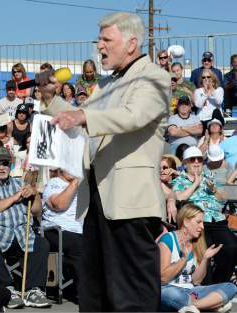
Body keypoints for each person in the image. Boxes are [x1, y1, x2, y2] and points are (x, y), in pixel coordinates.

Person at [47, 12, 170, 311]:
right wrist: (51, 98)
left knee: (132, 295)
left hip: (130, 202)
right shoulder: (105, 84)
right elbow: (77, 122)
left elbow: (133, 116)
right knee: (94, 292)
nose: (99, 46)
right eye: (99, 39)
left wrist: (83, 115)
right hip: (97, 199)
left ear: (131, 43)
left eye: (106, 39)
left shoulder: (155, 76)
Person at [0, 147, 51, 309]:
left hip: (21, 233)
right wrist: (15, 197)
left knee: (41, 244)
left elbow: (36, 211)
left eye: (5, 163)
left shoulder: (20, 183)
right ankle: (7, 289)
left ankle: (32, 290)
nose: (1, 167)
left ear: (10, 166)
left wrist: (33, 195)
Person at [172, 146, 237, 284]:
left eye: (199, 160)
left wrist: (214, 190)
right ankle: (205, 288)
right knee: (204, 253)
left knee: (231, 247)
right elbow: (178, 197)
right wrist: (195, 183)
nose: (196, 162)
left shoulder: (209, 177)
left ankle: (219, 284)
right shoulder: (179, 180)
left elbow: (222, 198)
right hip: (196, 221)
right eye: (192, 160)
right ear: (185, 163)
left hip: (216, 219)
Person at [159, 203, 236, 313]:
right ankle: (210, 305)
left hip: (191, 291)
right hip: (169, 289)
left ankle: (194, 306)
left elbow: (196, 280)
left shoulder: (197, 243)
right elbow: (163, 279)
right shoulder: (168, 239)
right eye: (199, 222)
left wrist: (205, 258)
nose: (202, 227)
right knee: (168, 293)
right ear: (185, 222)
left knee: (230, 287)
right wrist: (183, 259)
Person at [41, 168, 83, 301]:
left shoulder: (85, 185)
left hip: (80, 229)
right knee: (77, 245)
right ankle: (85, 292)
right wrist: (75, 182)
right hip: (56, 229)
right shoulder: (54, 183)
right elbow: (59, 204)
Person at [160, 155, 179, 224]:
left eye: (165, 168)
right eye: (159, 168)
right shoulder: (156, 185)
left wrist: (177, 173)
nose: (161, 170)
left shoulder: (178, 184)